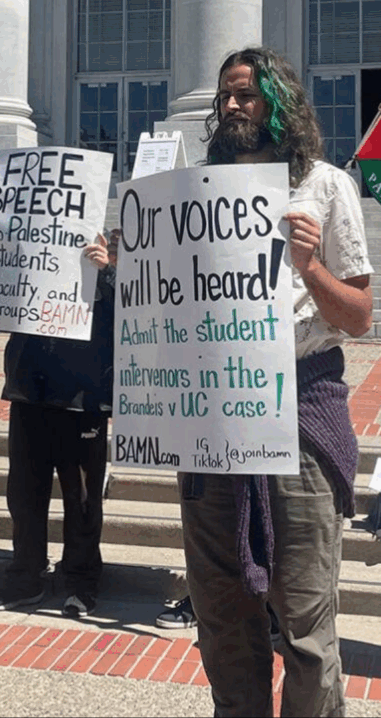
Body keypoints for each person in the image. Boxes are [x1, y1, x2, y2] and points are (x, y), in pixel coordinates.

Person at [181, 47, 372, 717]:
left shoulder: (324, 186)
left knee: (306, 630)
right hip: (212, 427)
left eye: (247, 94)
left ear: (279, 103)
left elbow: (357, 316)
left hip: (298, 421)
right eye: (226, 96)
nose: (232, 106)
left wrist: (312, 267)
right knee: (223, 623)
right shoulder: (193, 194)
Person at [0, 226, 116, 619]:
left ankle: (81, 581)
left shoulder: (102, 265)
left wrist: (106, 273)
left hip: (83, 397)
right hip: (29, 391)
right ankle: (26, 576)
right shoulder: (25, 253)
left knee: (83, 499)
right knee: (24, 494)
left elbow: (129, 315)